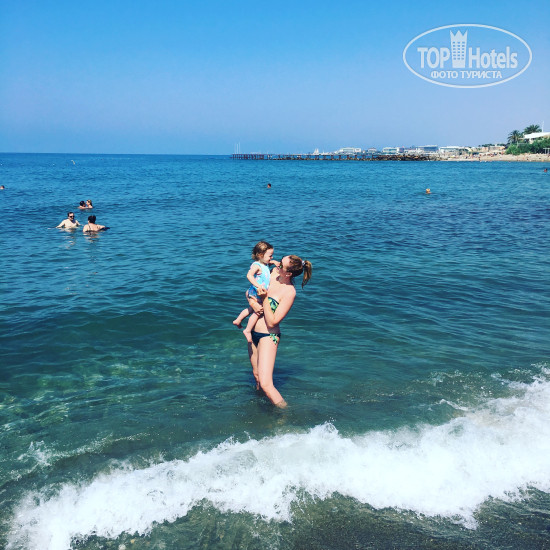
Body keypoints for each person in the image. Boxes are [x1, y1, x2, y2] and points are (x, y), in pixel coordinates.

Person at [248, 254, 312, 407]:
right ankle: (260, 411)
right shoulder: (272, 274)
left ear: (288, 273)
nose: (277, 265)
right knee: (256, 377)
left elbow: (273, 321)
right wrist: (252, 302)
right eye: (279, 261)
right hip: (253, 333)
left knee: (266, 384)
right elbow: (250, 291)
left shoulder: (289, 292)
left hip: (268, 336)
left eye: (281, 265)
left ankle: (286, 414)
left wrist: (265, 299)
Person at [233, 241, 280, 342]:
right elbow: (249, 275)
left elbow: (268, 263)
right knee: (258, 312)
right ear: (260, 255)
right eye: (270, 256)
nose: (271, 257)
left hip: (257, 292)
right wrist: (258, 286)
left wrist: (273, 262)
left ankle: (238, 320)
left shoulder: (264, 264)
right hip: (256, 292)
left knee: (250, 309)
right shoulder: (256, 266)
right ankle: (247, 330)